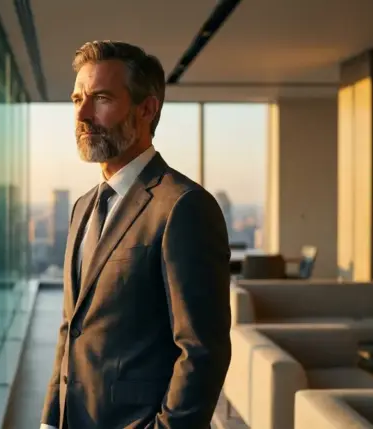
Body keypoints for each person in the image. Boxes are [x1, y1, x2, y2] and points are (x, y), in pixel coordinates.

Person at [39, 41, 232, 429]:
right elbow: (70, 327)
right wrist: (50, 418)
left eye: (102, 98)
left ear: (147, 108)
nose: (82, 113)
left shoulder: (184, 206)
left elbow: (201, 351)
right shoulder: (82, 208)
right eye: (77, 98)